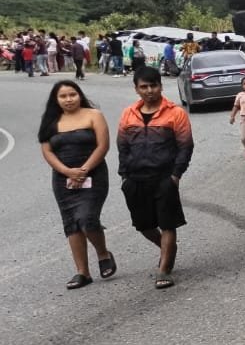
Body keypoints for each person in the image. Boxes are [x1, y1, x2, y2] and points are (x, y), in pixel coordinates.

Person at [116, 66, 193, 289]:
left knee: (168, 223)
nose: (149, 90)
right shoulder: (128, 114)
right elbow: (123, 146)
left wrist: (176, 175)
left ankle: (164, 269)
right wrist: (124, 176)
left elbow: (185, 146)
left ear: (160, 86)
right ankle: (167, 248)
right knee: (143, 224)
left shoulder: (175, 113)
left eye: (154, 85)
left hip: (164, 177)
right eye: (144, 87)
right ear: (136, 89)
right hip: (135, 178)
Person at [38, 80, 117, 290]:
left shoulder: (94, 115)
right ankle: (83, 272)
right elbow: (47, 151)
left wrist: (83, 170)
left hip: (93, 174)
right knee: (71, 223)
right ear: (56, 100)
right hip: (63, 179)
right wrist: (67, 171)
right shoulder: (51, 121)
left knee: (87, 218)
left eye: (72, 94)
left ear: (79, 95)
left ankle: (103, 254)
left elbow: (103, 145)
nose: (68, 99)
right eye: (63, 96)